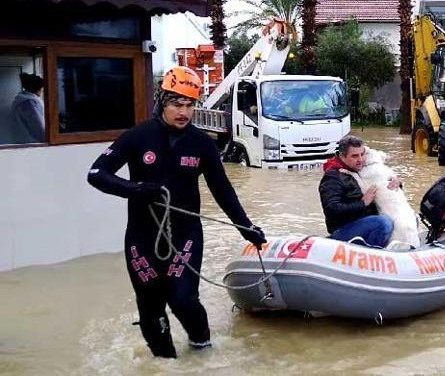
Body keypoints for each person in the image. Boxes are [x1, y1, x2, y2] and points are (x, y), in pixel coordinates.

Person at [87, 66, 266, 359]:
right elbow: (97, 173)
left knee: (183, 299)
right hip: (142, 236)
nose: (183, 111)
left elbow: (223, 191)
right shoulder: (138, 136)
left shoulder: (202, 143)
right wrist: (137, 188)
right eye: (176, 104)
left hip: (185, 234)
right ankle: (165, 363)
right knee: (150, 302)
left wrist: (246, 227)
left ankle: (202, 350)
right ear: (162, 102)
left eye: (189, 104)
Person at [318, 135, 399, 248]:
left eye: (362, 154)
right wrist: (363, 203)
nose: (360, 160)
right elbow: (332, 209)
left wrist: (395, 182)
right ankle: (372, 256)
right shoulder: (332, 177)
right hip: (344, 229)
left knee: (408, 221)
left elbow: (385, 191)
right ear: (342, 156)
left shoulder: (363, 169)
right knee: (383, 223)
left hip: (368, 223)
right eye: (355, 156)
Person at [11, 73, 45, 143]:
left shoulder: (20, 100)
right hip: (33, 145)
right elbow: (39, 128)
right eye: (41, 88)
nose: (42, 91)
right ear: (38, 89)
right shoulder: (30, 102)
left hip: (22, 141)